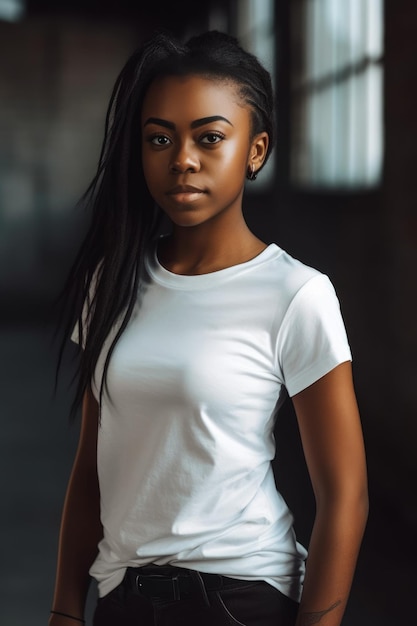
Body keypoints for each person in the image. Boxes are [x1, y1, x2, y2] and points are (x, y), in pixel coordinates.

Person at [49, 30, 368, 626]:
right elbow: (93, 463)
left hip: (240, 599)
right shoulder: (111, 280)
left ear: (256, 150)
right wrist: (67, 607)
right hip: (123, 600)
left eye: (210, 137)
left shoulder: (297, 294)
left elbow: (345, 495)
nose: (182, 159)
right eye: (160, 139)